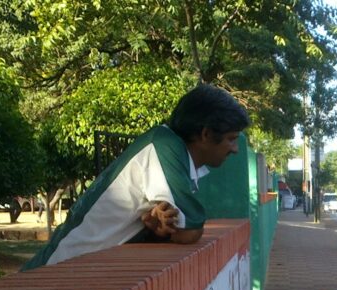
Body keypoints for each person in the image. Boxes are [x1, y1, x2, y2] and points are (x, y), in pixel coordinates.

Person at [22, 84, 250, 270]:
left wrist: (158, 227)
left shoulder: (178, 156)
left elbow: (168, 227)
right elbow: (188, 230)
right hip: (59, 267)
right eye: (231, 139)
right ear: (206, 134)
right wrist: (177, 227)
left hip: (88, 268)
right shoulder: (164, 145)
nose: (235, 149)